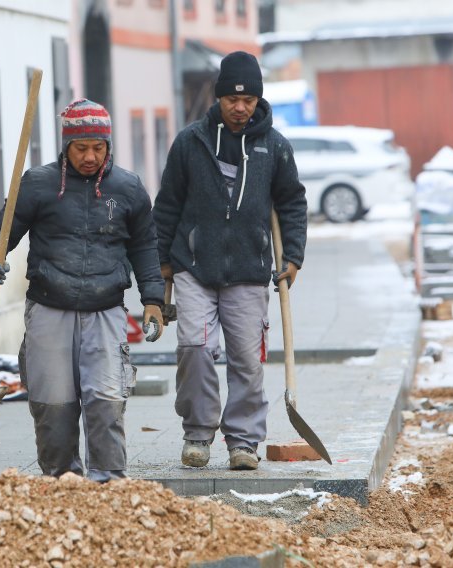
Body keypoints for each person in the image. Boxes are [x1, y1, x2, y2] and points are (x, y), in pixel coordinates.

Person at [0, 99, 165, 482]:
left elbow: (145, 247)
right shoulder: (37, 184)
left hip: (106, 311)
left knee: (107, 400)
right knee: (53, 402)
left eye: (99, 147)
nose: (91, 156)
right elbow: (2, 231)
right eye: (82, 148)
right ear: (67, 146)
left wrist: (153, 300)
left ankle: (109, 479)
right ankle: (61, 479)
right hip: (49, 309)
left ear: (109, 146)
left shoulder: (128, 189)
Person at [153, 51, 308, 471]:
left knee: (246, 358)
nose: (240, 108)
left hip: (249, 270)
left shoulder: (273, 147)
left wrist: (292, 255)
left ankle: (243, 441)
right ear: (218, 98)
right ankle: (198, 434)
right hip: (194, 266)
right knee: (196, 349)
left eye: (249, 100)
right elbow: (167, 205)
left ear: (258, 100)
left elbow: (292, 202)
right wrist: (161, 262)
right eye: (231, 100)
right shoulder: (190, 142)